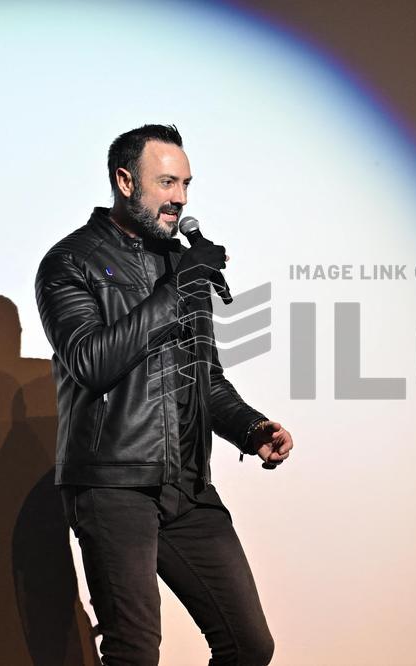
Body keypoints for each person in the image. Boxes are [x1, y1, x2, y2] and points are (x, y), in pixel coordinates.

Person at [34, 123, 293, 665]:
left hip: (188, 484)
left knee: (249, 645)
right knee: (134, 652)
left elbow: (207, 377)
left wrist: (252, 427)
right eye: (167, 183)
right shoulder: (70, 261)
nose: (180, 198)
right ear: (125, 181)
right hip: (114, 483)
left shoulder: (182, 264)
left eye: (186, 184)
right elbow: (90, 362)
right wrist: (177, 291)